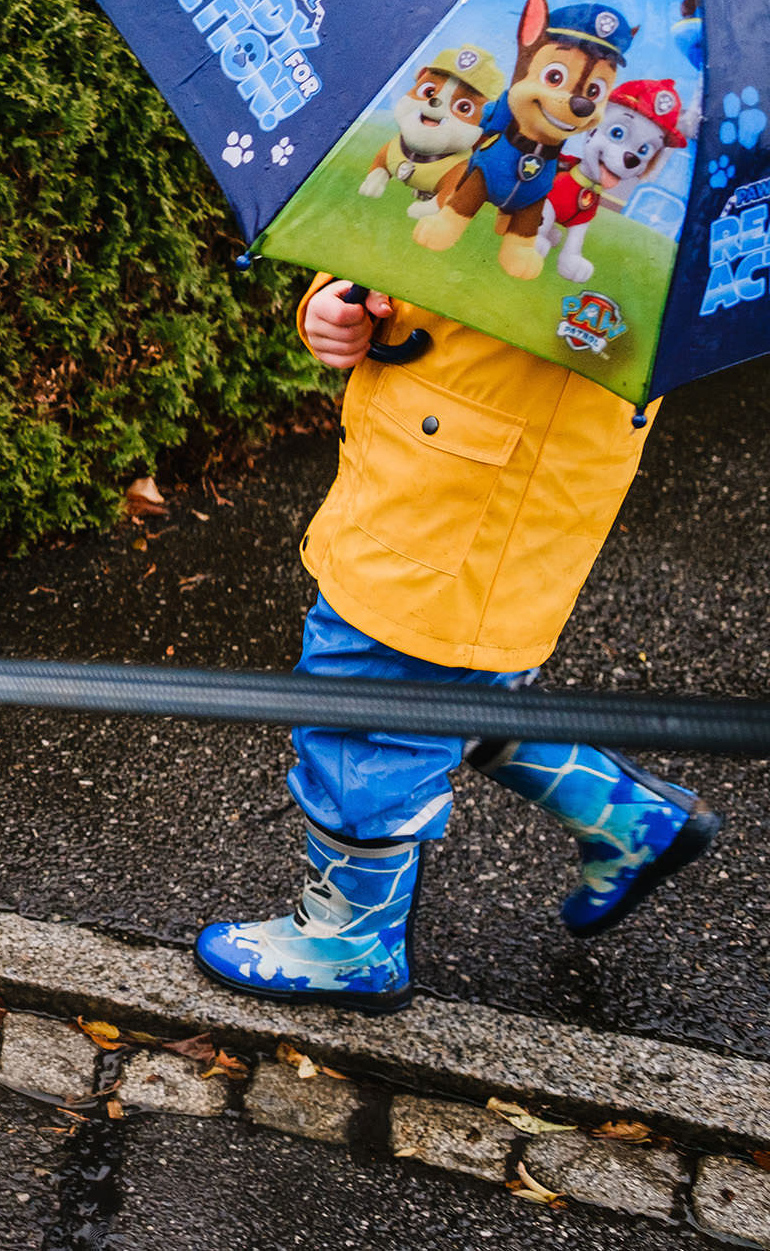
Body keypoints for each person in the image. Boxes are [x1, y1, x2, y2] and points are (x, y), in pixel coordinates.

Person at [192, 276, 721, 1012]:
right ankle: (628, 816)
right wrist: (331, 299)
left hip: (465, 495)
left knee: (365, 709)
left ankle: (350, 940)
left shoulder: (622, 194)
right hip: (444, 472)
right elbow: (395, 212)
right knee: (455, 688)